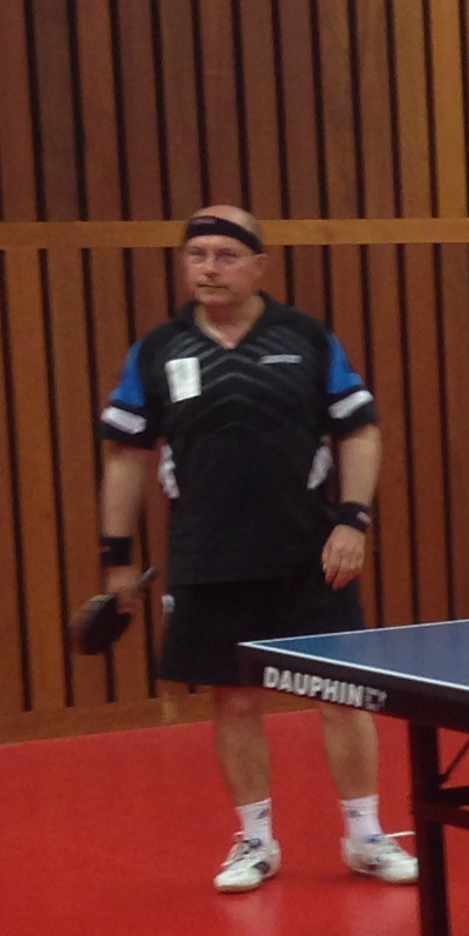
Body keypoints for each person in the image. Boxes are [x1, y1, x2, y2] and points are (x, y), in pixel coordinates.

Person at [95, 206, 418, 893]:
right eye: (197, 255)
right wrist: (115, 558)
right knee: (235, 701)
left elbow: (360, 430)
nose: (209, 269)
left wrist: (353, 521)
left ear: (259, 266)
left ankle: (365, 836)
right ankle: (254, 840)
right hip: (208, 556)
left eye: (225, 256)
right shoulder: (158, 350)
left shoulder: (305, 337)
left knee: (342, 696)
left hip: (311, 553)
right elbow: (126, 456)